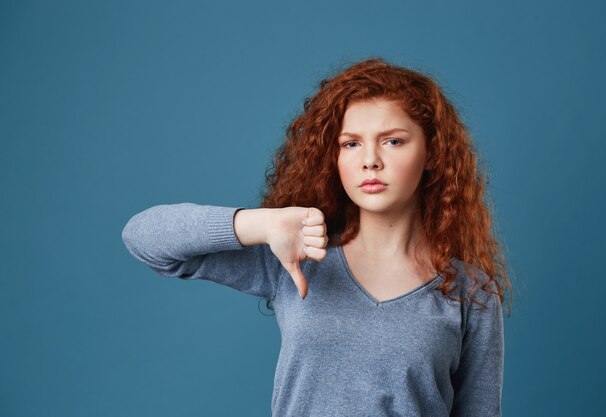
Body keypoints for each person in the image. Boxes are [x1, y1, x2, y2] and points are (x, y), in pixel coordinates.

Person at [121, 57, 513, 417]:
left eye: (393, 141)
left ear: (431, 154)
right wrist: (262, 224)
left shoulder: (470, 293)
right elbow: (144, 238)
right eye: (351, 143)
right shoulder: (298, 255)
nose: (370, 159)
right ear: (335, 157)